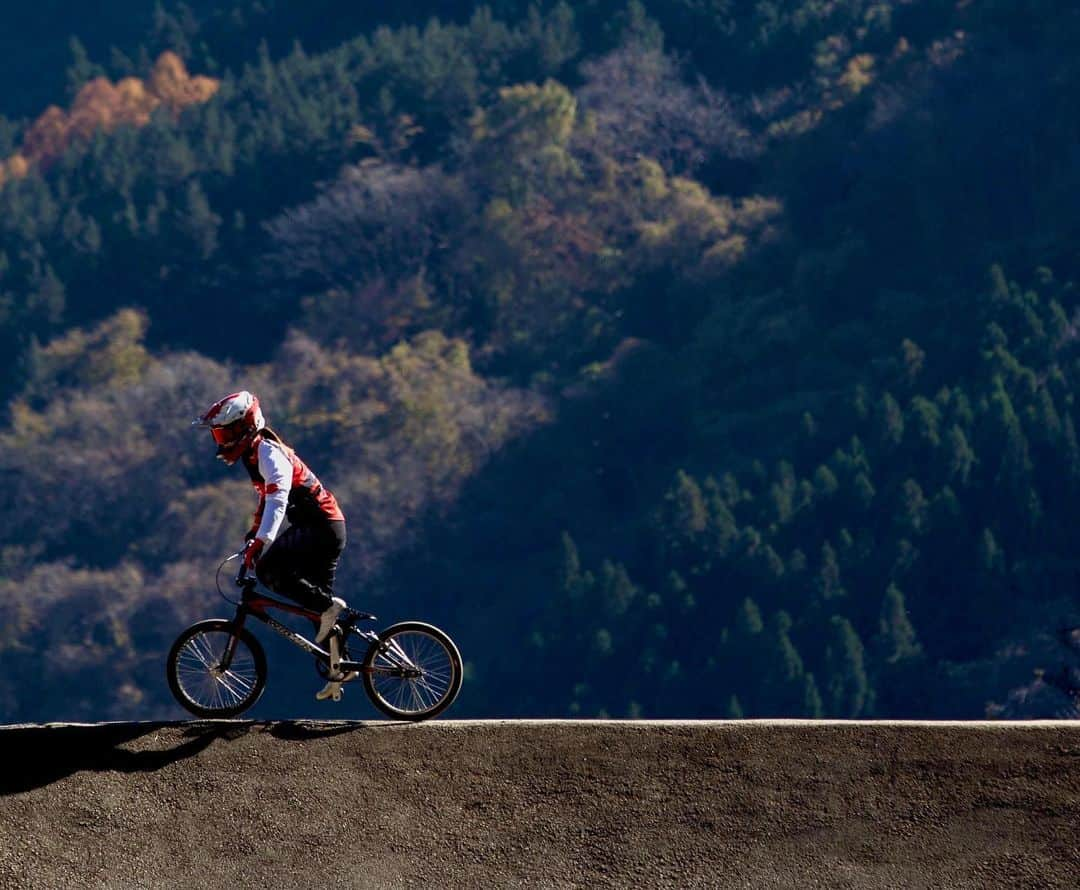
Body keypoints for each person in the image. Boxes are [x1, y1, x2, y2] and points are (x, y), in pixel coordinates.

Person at [194, 390, 349, 699]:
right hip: (325, 528)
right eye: (217, 434)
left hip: (320, 527)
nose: (220, 441)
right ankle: (338, 671)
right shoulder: (256, 455)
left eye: (225, 433)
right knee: (319, 611)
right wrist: (254, 532)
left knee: (269, 570)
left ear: (245, 427)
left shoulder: (267, 452)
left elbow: (278, 500)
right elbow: (266, 499)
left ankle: (329, 608)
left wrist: (262, 542)